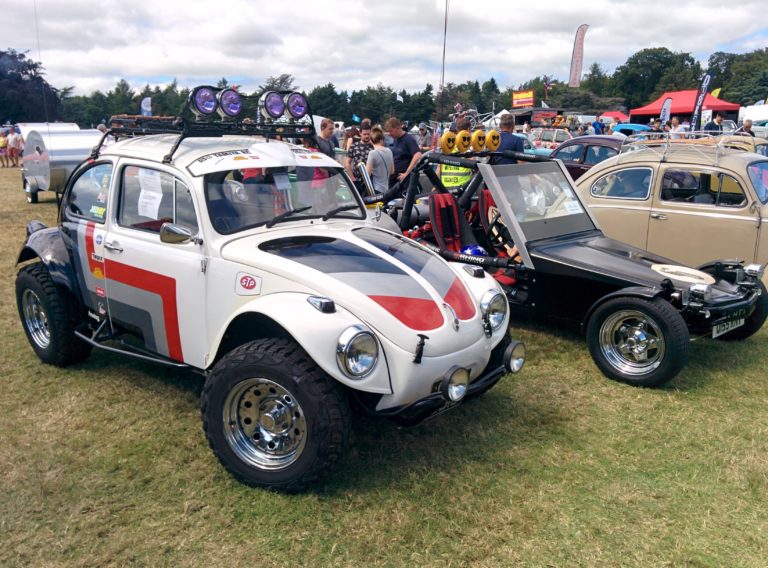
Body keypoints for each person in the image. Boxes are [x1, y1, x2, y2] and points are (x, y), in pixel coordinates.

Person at [384, 117, 421, 186]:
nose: (389, 134)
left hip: (403, 179)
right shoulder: (396, 139)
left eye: (391, 131)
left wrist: (407, 173)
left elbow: (418, 154)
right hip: (394, 178)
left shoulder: (408, 139)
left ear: (398, 128)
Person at [440, 117, 473, 189]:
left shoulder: (448, 143)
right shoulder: (467, 145)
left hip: (445, 186)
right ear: (468, 129)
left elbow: (439, 167)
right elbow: (474, 163)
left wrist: (436, 185)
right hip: (462, 187)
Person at [366, 126, 394, 193]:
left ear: (371, 140)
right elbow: (392, 171)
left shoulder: (372, 153)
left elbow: (367, 174)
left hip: (376, 188)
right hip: (386, 188)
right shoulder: (389, 151)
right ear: (382, 139)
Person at [345, 123, 373, 187]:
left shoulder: (374, 146)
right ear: (360, 133)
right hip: (357, 181)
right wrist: (352, 178)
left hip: (372, 181)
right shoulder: (354, 146)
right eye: (364, 134)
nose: (366, 136)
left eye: (368, 134)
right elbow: (347, 163)